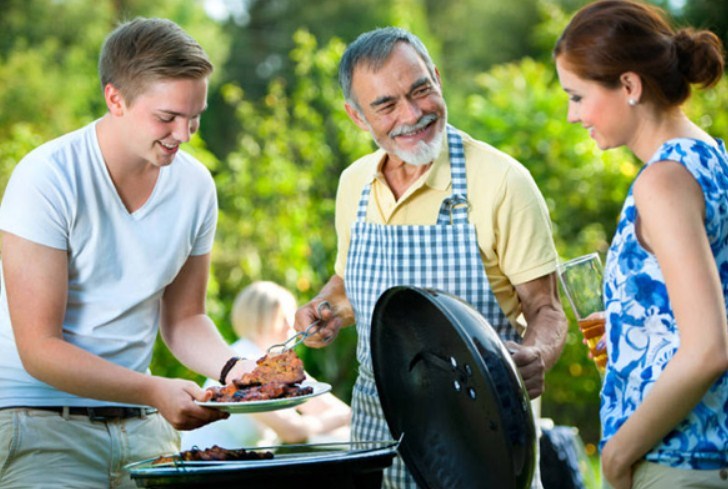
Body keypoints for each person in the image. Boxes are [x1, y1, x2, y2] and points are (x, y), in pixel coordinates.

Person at [294, 26, 568, 488]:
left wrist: (537, 353)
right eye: (386, 104)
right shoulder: (353, 184)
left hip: (483, 445)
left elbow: (546, 308)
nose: (413, 113)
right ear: (358, 117)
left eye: (421, 90)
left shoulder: (503, 181)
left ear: (437, 78)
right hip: (376, 442)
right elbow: (350, 284)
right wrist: (328, 309)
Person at [0, 18, 255, 488]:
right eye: (167, 117)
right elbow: (39, 349)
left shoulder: (195, 186)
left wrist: (238, 371)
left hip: (141, 426)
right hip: (36, 422)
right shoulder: (47, 179)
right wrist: (154, 390)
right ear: (115, 99)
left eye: (194, 116)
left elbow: (183, 320)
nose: (184, 134)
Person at [553, 1, 728, 488]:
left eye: (577, 96)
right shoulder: (711, 157)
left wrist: (616, 454)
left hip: (677, 461)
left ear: (629, 86)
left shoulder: (662, 182)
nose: (571, 115)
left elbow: (710, 349)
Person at [181, 281, 351, 449]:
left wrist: (345, 416)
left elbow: (323, 405)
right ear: (260, 321)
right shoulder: (243, 364)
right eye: (284, 319)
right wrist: (343, 417)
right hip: (210, 467)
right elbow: (292, 431)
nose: (293, 329)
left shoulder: (276, 365)